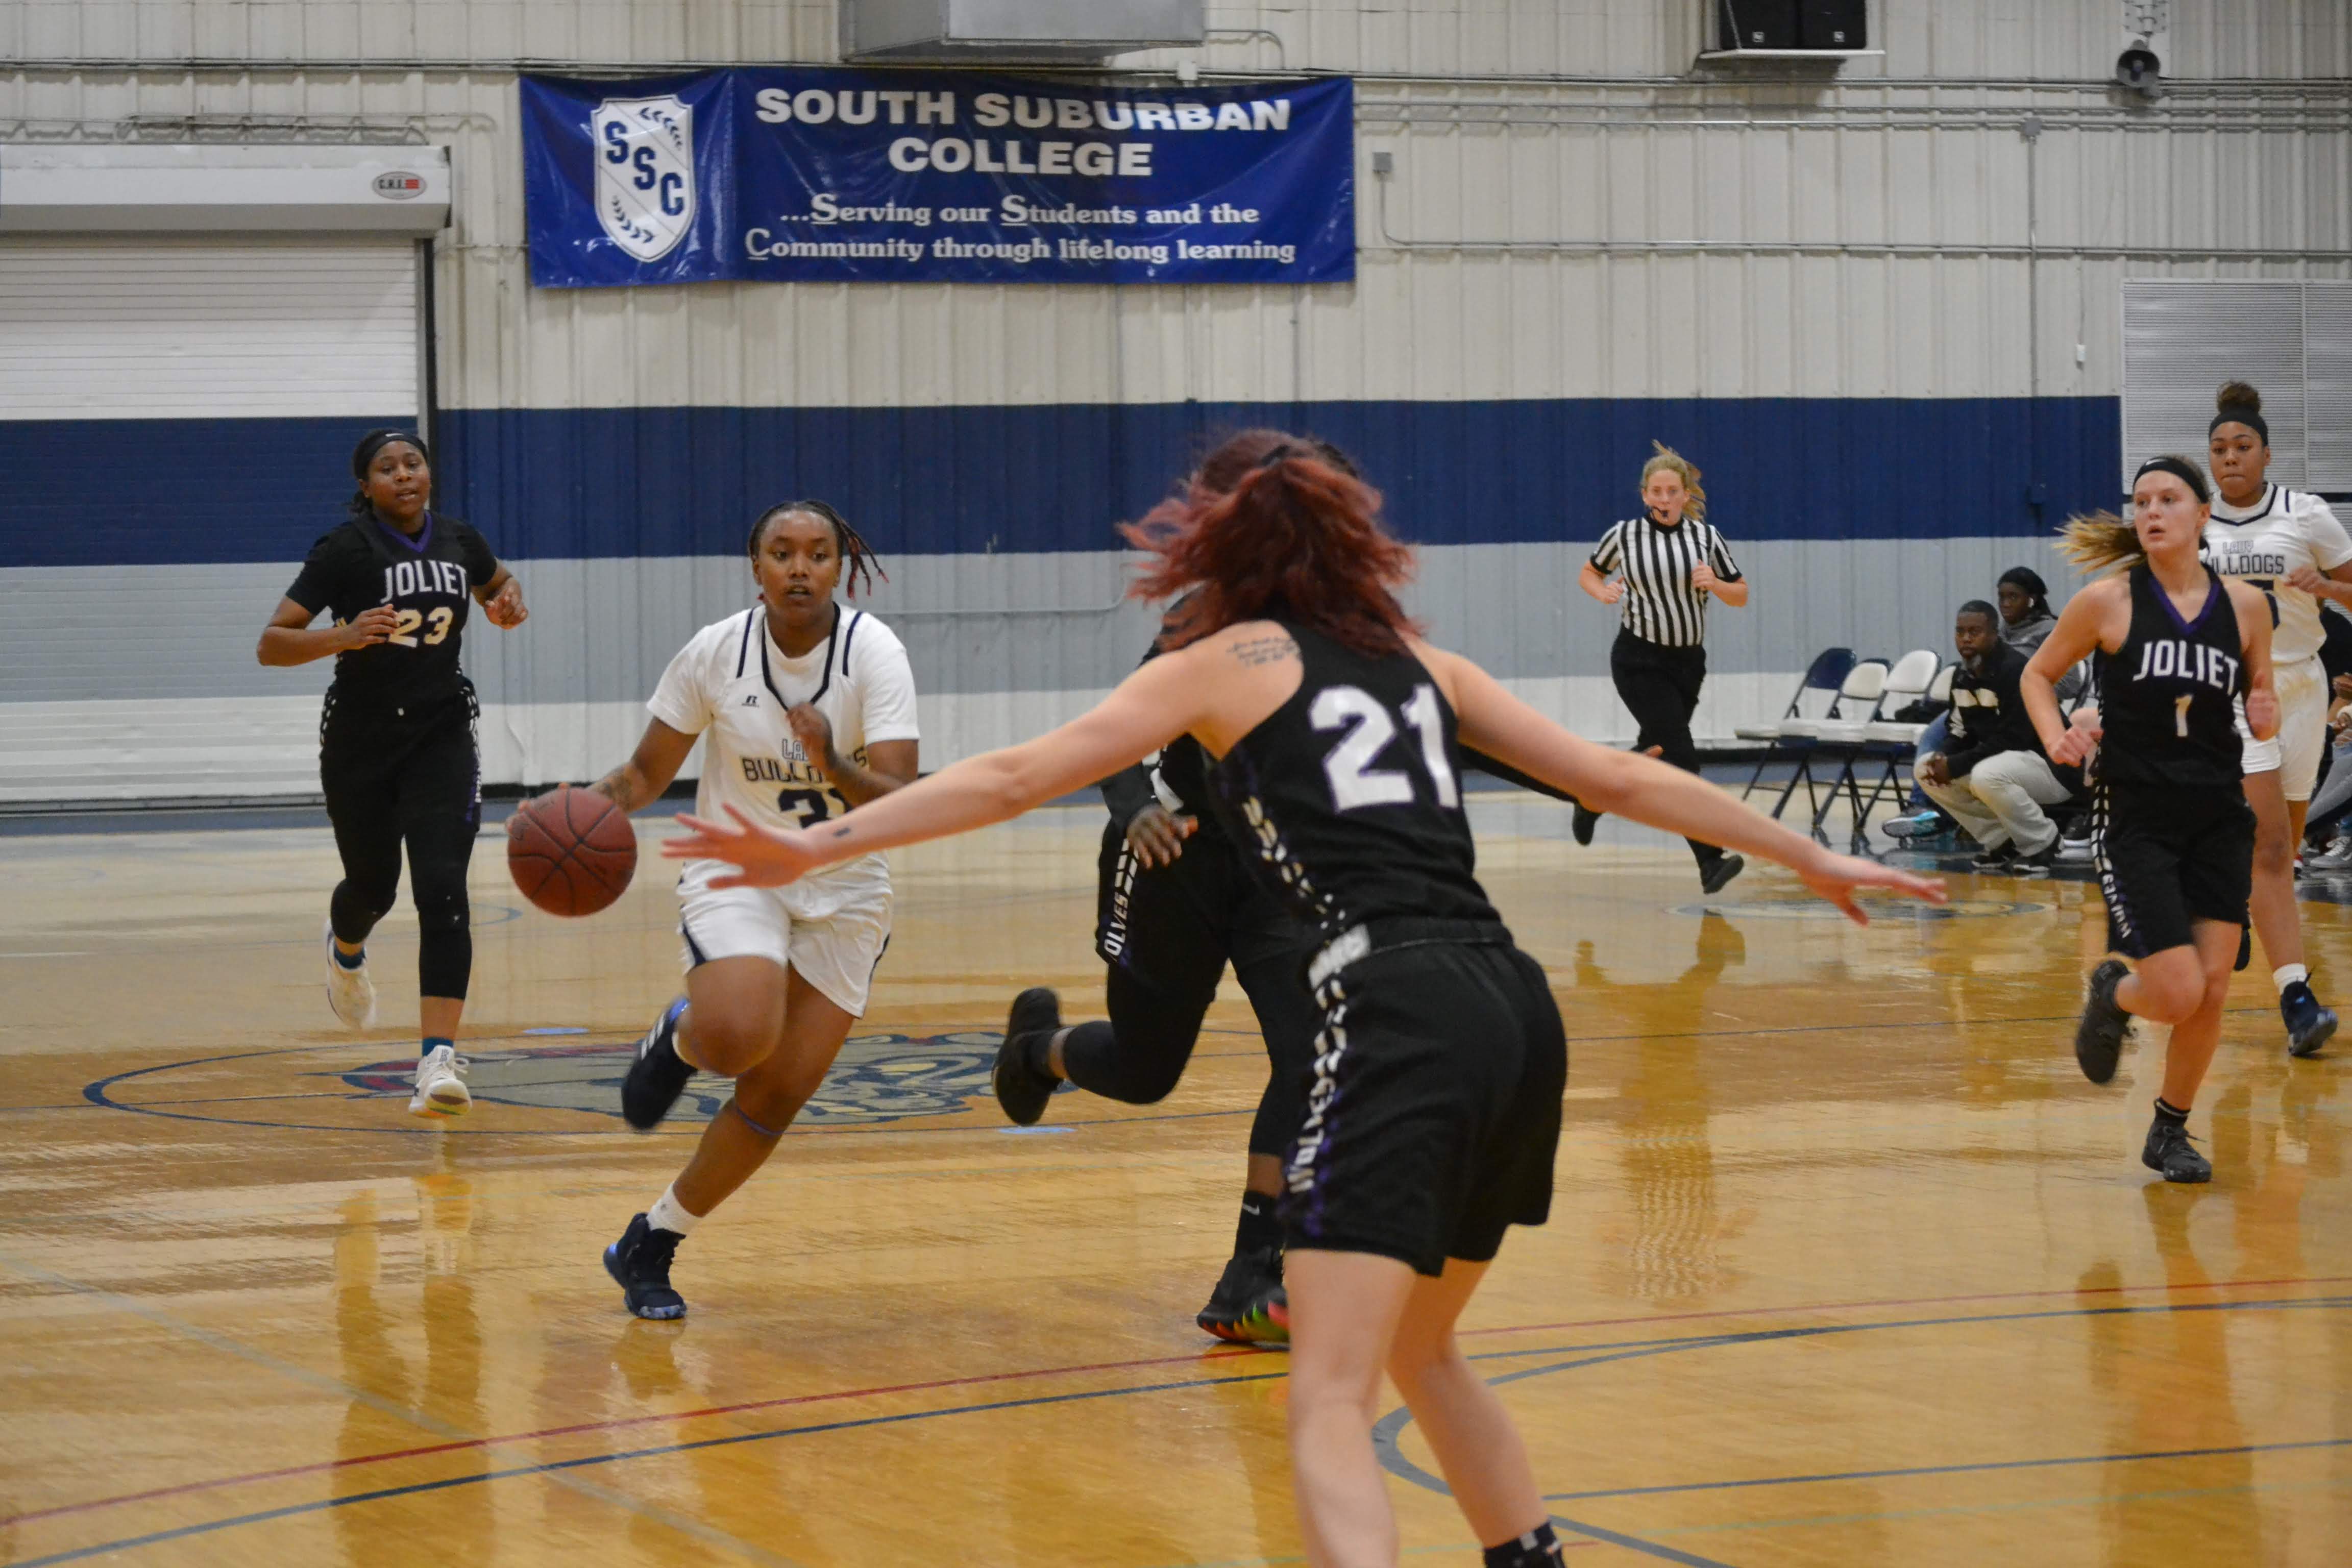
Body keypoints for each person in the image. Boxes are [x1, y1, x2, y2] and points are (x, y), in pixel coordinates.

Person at [661, 430, 1943, 1567]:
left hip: (1389, 1008)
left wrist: (810, 845)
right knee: (1424, 1351)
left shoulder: (1223, 658)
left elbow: (1008, 779)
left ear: (1210, 542)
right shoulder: (1419, 660)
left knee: (1326, 1397)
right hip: (1514, 1008)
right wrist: (1812, 853)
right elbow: (1618, 778)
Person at [587, 501, 917, 1320]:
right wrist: (576, 809)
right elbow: (644, 775)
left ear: (840, 567)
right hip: (740, 866)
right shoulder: (715, 651)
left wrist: (832, 761)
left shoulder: (873, 652)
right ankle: (687, 1032)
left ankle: (651, 1242)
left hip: (847, 884)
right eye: (782, 552)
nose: (799, 568)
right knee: (739, 1038)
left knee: (775, 1096)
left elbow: (901, 798)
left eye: (817, 554)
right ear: (756, 566)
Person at [257, 429, 527, 1119]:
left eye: (414, 463)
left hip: (441, 734)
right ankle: (346, 948)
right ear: (367, 486)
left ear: (429, 473)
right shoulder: (344, 550)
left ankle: (437, 1060)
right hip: (362, 740)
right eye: (387, 467)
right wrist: (344, 636)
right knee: (372, 888)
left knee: (443, 891)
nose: (404, 475)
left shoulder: (461, 540)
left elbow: (499, 584)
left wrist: (507, 602)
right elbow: (272, 644)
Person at [2029, 456, 2277, 1184]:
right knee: (2174, 993)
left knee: (2214, 986)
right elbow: (2037, 674)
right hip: (2137, 815)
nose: (2152, 512)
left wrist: (2266, 706)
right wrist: (2055, 736)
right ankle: (2115, 993)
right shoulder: (2107, 601)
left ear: (2203, 514)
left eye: (2169, 499)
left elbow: (2261, 697)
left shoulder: (2247, 606)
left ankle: (2170, 1130)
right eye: (2142, 502)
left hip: (2218, 813)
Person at [2201, 380, 2349, 1057]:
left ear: (2266, 454)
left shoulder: (2305, 514)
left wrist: (2330, 586)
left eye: (2243, 446)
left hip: (2302, 685)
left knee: (2282, 851)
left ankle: (2236, 903)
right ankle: (2296, 997)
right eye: (2219, 449)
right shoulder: (2194, 522)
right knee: (2266, 843)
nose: (2231, 457)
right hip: (2233, 692)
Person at [1571, 443, 1751, 894]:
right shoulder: (1625, 535)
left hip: (1688, 665)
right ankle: (1710, 859)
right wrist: (1602, 592)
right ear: (1645, 495)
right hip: (1639, 660)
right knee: (1681, 759)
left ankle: (1592, 797)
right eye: (1657, 492)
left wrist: (1716, 584)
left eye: (1673, 491)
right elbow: (1589, 573)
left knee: (1655, 753)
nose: (1665, 499)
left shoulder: (1706, 537)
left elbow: (1742, 593)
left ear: (1686, 495)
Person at [1915, 601, 2080, 873]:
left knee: (1986, 775)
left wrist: (1955, 765)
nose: (1966, 639)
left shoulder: (2015, 670)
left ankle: (2044, 842)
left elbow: (2014, 738)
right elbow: (1959, 729)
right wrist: (1944, 756)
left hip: (2054, 769)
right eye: (1960, 631)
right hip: (2009, 764)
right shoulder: (1962, 675)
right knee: (1925, 769)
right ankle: (2002, 841)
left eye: (1975, 632)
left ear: (1994, 634)